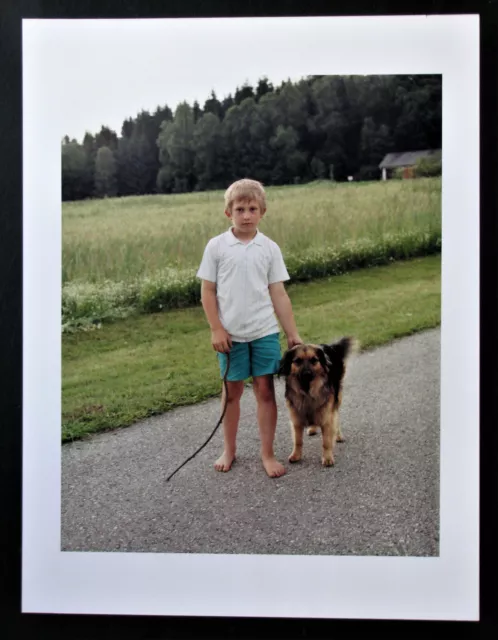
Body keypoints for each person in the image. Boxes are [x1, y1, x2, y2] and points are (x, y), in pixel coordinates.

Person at [196, 178, 303, 478]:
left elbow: (278, 293)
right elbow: (207, 291)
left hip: (264, 332)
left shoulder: (269, 249)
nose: (246, 214)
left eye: (252, 208)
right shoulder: (216, 247)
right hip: (230, 336)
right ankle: (229, 450)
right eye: (239, 209)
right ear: (228, 212)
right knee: (231, 393)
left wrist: (292, 332)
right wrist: (216, 328)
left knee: (265, 391)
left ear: (262, 211)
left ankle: (267, 454)